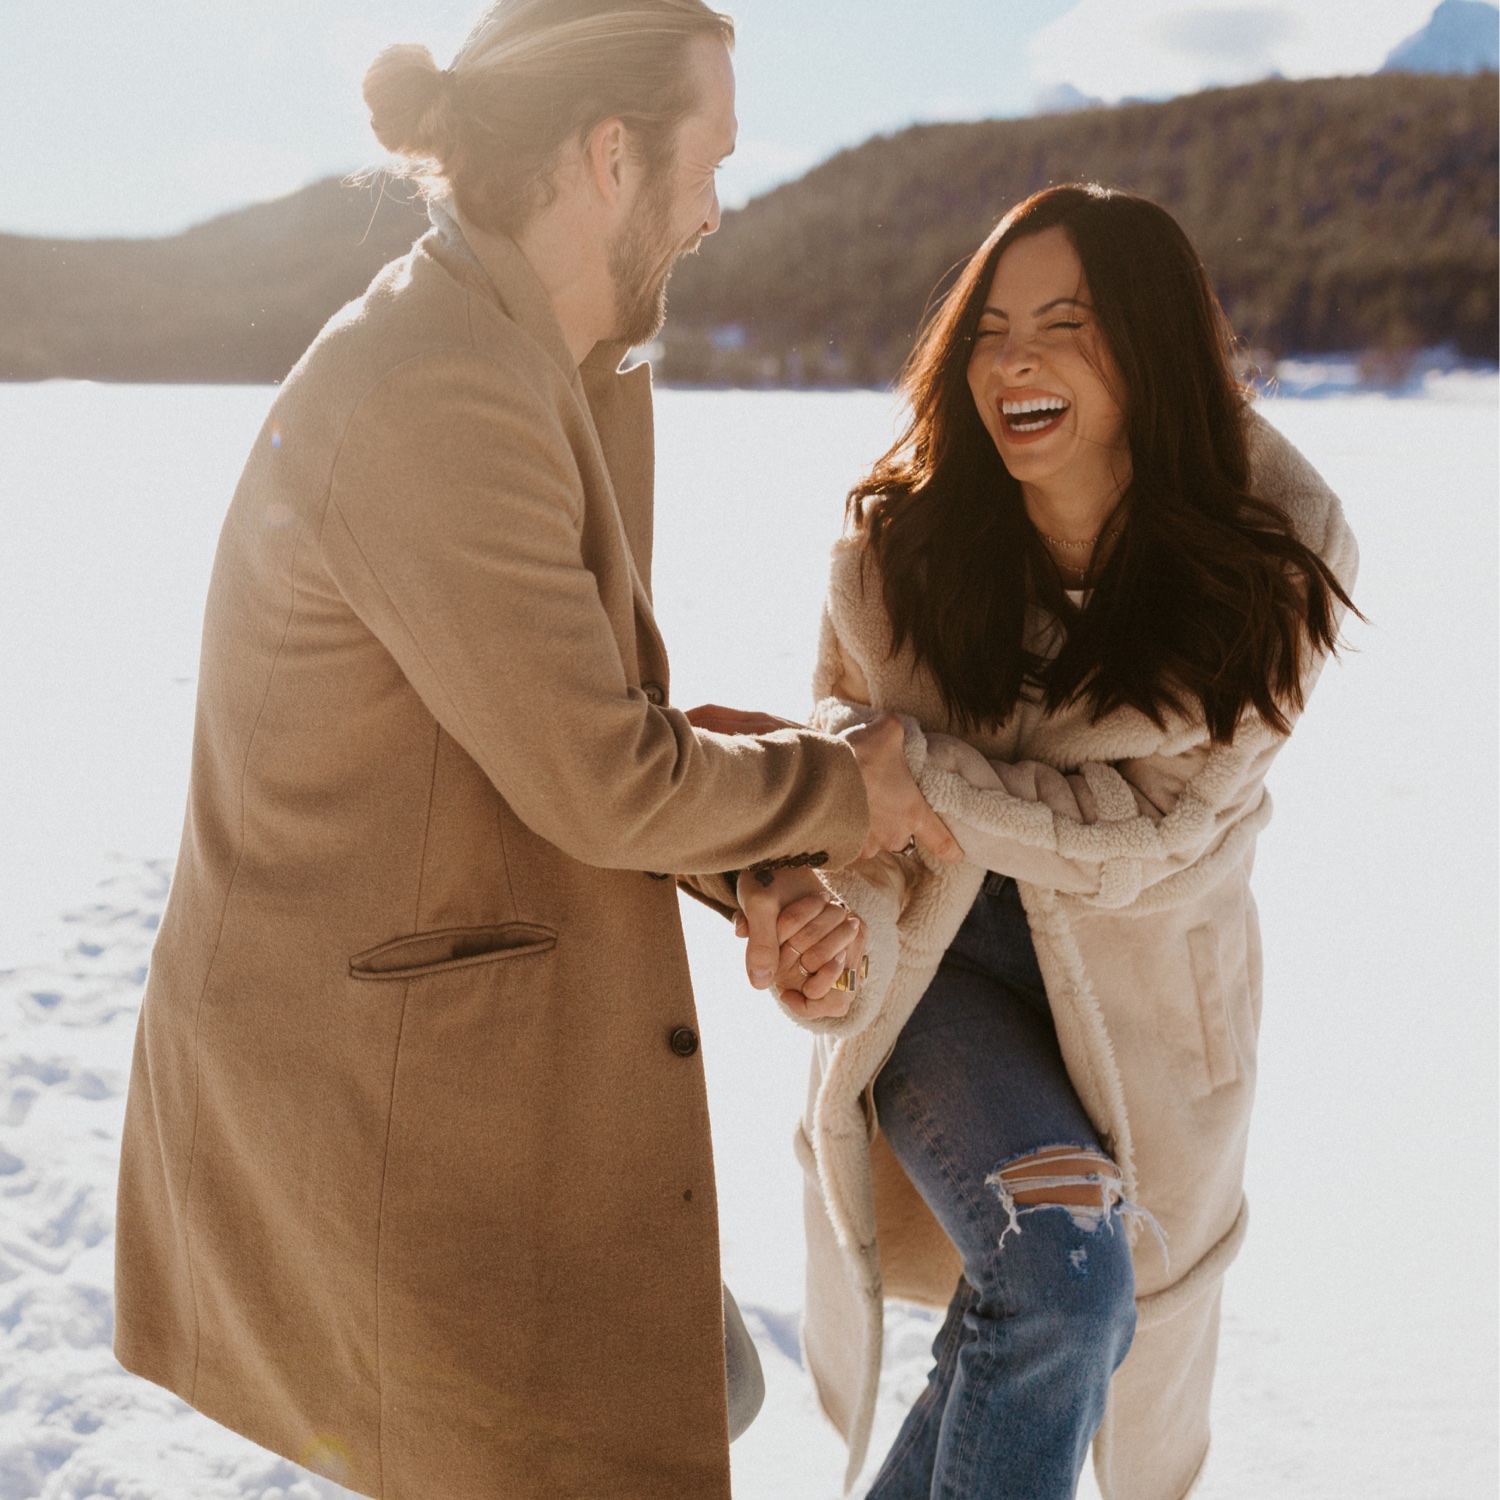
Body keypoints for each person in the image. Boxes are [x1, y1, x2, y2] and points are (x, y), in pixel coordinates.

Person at [110, 5, 959, 1499]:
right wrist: (848, 794)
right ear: (611, 155)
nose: (718, 206)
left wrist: (758, 868)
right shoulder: (436, 387)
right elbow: (601, 777)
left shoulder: (550, 359)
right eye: (712, 159)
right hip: (385, 1098)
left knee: (690, 1392)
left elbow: (572, 730)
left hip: (468, 1065)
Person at [739, 185, 1358, 1498]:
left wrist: (926, 778)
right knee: (1063, 1279)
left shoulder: (1270, 569)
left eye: (1063, 323)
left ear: (1153, 350)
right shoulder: (894, 566)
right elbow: (856, 822)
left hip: (1149, 1015)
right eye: (990, 328)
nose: (1013, 360)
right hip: (945, 989)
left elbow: (1156, 830)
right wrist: (821, 949)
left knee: (1024, 1314)